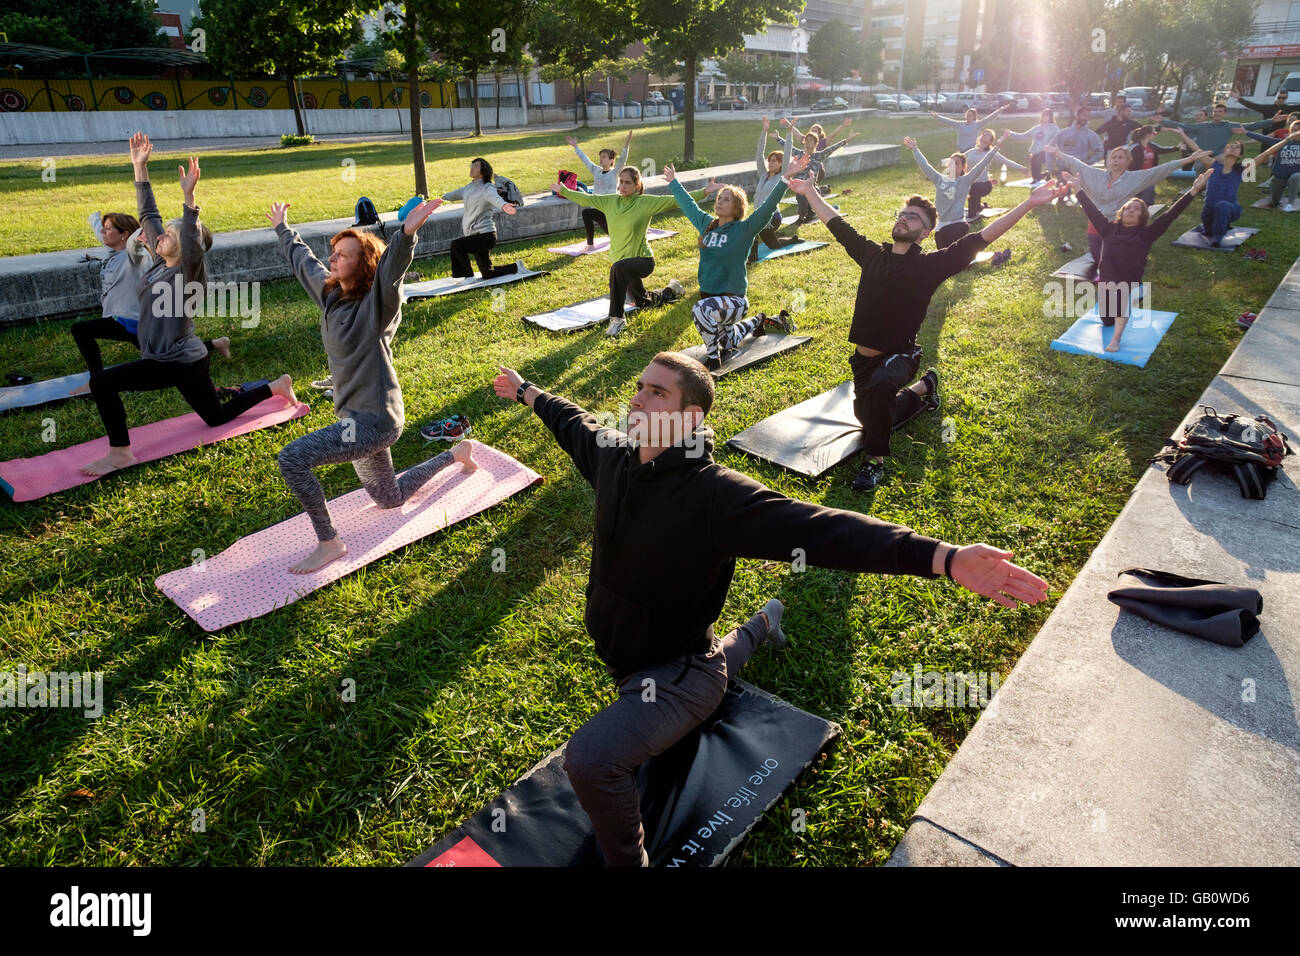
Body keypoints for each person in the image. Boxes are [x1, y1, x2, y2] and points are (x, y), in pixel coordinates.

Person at [491, 354, 1050, 866]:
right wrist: (526, 391)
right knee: (712, 667)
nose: (637, 399)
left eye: (657, 393)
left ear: (689, 418)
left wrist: (944, 557)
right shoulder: (614, 457)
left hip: (674, 676)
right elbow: (573, 419)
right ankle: (762, 624)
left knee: (592, 761)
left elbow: (820, 528)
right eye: (639, 387)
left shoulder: (715, 496)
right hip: (637, 659)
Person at [786, 173, 1070, 491]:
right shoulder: (871, 255)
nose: (905, 220)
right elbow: (836, 223)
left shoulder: (931, 266)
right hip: (863, 362)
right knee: (873, 417)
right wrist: (809, 191)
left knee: (881, 391)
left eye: (914, 218)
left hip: (901, 355)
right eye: (903, 214)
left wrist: (1030, 202)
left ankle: (874, 463)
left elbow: (981, 238)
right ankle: (925, 388)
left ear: (925, 232)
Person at [268, 196, 478, 574]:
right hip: (353, 419)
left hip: (374, 422)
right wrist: (283, 229)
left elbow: (390, 272)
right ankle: (456, 454)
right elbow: (305, 264)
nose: (333, 260)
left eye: (343, 255)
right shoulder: (331, 294)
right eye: (334, 253)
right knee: (389, 498)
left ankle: (329, 542)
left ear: (362, 265)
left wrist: (407, 233)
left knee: (293, 458)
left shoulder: (376, 307)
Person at [80, 134, 293, 477]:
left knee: (102, 382)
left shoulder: (188, 276)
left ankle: (120, 453)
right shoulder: (159, 261)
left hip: (174, 361)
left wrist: (189, 198)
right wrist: (139, 166)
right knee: (216, 417)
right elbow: (148, 213)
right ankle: (275, 386)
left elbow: (192, 243)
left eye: (170, 235)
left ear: (185, 247)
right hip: (191, 356)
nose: (158, 235)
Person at [665, 154, 806, 368]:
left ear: (737, 207)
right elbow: (688, 205)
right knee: (728, 339)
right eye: (720, 198)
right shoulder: (706, 224)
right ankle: (758, 320)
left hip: (734, 302)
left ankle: (714, 357)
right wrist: (674, 182)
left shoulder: (744, 229)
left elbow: (768, 206)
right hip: (714, 303)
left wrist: (785, 178)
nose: (720, 201)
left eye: (726, 199)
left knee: (700, 310)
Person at [70, 210, 231, 392]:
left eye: (108, 229)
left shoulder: (133, 256)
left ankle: (95, 380)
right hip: (140, 321)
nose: (103, 232)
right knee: (165, 352)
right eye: (103, 229)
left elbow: (139, 248)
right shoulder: (114, 252)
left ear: (124, 235)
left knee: (81, 330)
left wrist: (140, 237)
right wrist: (94, 218)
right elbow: (104, 234)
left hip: (130, 319)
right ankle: (215, 345)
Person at [1063, 168, 1210, 351]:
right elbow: (1091, 210)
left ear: (1143, 215)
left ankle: (1116, 339)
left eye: (1137, 208)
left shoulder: (1147, 233)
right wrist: (1078, 189)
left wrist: (1193, 191)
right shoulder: (1108, 229)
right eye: (1128, 208)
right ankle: (1123, 309)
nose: (1131, 210)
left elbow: (1171, 214)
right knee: (1107, 320)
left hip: (1129, 284)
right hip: (1108, 283)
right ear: (1121, 213)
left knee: (1122, 300)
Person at [552, 168, 710, 336]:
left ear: (637, 185)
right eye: (621, 182)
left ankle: (617, 319)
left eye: (628, 182)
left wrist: (705, 192)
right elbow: (586, 198)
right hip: (623, 265)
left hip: (642, 260)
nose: (623, 186)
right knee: (642, 302)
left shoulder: (645, 203)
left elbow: (676, 201)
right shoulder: (611, 201)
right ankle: (672, 289)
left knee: (618, 268)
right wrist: (563, 190)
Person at [1044, 142, 1208, 279]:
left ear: (1128, 161)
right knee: (1098, 259)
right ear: (1108, 161)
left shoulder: (1133, 178)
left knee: (1114, 261)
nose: (1116, 160)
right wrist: (1057, 152)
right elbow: (1076, 163)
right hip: (1097, 224)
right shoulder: (1097, 175)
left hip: (1117, 227)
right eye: (1113, 157)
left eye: (1120, 157)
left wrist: (1187, 160)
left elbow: (1159, 171)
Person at [903, 134, 1000, 248]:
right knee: (944, 253)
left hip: (958, 225)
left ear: (963, 167)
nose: (953, 166)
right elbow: (925, 165)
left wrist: (996, 148)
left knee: (954, 247)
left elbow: (982, 164)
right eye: (951, 163)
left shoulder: (965, 181)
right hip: (942, 227)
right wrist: (915, 149)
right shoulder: (939, 179)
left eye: (957, 163)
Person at [441, 158, 520, 280]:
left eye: (476, 166)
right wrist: (440, 199)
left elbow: (495, 198)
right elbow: (454, 194)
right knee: (488, 274)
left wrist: (504, 205)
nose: (472, 168)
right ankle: (516, 267)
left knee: (456, 245)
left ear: (484, 170)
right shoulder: (468, 187)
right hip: (475, 234)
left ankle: (467, 276)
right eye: (472, 165)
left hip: (486, 235)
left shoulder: (487, 188)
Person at [1166, 127, 1249, 243]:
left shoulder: (1240, 170)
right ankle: (1220, 225)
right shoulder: (1213, 165)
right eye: (1231, 146)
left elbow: (1266, 154)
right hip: (1209, 209)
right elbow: (1196, 148)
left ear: (1240, 155)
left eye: (1237, 147)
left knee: (1223, 206)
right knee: (1210, 228)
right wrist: (1182, 134)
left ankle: (1218, 237)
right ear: (1225, 151)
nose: (1234, 148)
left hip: (1232, 209)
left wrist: (1284, 141)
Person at [748, 115, 803, 262]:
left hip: (772, 217)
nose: (771, 163)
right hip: (759, 214)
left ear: (780, 164)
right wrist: (764, 132)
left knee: (751, 230)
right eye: (770, 161)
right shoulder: (764, 175)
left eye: (774, 161)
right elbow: (759, 154)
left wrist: (789, 133)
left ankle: (752, 258)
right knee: (773, 245)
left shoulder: (781, 177)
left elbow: (787, 156)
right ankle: (793, 239)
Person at [566, 130, 632, 249]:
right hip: (597, 206)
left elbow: (622, 160)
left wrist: (627, 143)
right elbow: (585, 160)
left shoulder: (614, 172)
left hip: (609, 207)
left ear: (611, 160)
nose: (600, 159)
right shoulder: (596, 170)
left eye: (604, 157)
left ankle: (621, 236)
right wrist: (576, 147)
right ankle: (590, 244)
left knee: (611, 232)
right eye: (600, 157)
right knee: (586, 213)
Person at [777, 127, 859, 223]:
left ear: (816, 143)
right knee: (802, 200)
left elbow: (833, 148)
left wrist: (846, 140)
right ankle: (801, 217)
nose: (807, 142)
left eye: (810, 140)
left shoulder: (818, 155)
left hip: (812, 186)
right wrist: (778, 138)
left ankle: (810, 212)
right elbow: (787, 146)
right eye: (806, 140)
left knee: (816, 203)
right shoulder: (798, 153)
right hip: (799, 186)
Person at [1158, 103, 1276, 158]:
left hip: (1218, 156)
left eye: (1220, 112)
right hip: (1202, 156)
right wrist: (1162, 121)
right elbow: (1181, 125)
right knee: (1200, 171)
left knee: (1221, 164)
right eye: (1215, 112)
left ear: (1224, 113)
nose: (1217, 114)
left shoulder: (1229, 126)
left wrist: (1271, 121)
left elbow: (1251, 126)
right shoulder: (1203, 126)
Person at [963, 127, 1027, 218]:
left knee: (974, 188)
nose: (985, 134)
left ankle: (972, 215)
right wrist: (947, 162)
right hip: (970, 185)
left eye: (988, 134)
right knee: (971, 190)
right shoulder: (971, 152)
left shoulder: (991, 152)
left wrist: (1022, 168)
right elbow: (959, 159)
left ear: (990, 142)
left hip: (984, 185)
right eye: (984, 133)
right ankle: (980, 206)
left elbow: (1006, 161)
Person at [1246, 121, 1300, 210]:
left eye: (1296, 130)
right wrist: (1246, 132)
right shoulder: (1282, 143)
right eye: (1292, 130)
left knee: (1296, 176)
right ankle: (1277, 200)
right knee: (1275, 202)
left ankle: (1290, 204)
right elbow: (1264, 139)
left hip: (1296, 176)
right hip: (1279, 178)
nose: (1293, 133)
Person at [1128, 125, 1185, 203]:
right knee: (1138, 196)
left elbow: (1163, 149)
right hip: (1138, 176)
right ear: (1148, 134)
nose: (1155, 134)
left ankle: (1145, 209)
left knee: (1149, 196)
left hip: (1150, 175)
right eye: (1154, 132)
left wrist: (1177, 148)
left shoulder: (1151, 145)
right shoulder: (1134, 147)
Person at [1007, 108, 1062, 183]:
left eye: (1047, 116)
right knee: (1035, 177)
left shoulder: (1054, 129)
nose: (1045, 117)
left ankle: (1047, 173)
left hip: (1047, 154)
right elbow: (1023, 136)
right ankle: (1045, 174)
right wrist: (1010, 133)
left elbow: (1060, 139)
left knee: (1037, 156)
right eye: (1044, 115)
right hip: (1035, 153)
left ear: (1050, 117)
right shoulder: (1036, 128)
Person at [930, 105, 1008, 152]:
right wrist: (937, 117)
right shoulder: (960, 124)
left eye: (970, 115)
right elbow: (949, 121)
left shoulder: (977, 124)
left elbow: (989, 118)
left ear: (974, 117)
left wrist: (1000, 110)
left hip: (971, 151)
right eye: (967, 115)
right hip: (960, 151)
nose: (968, 117)